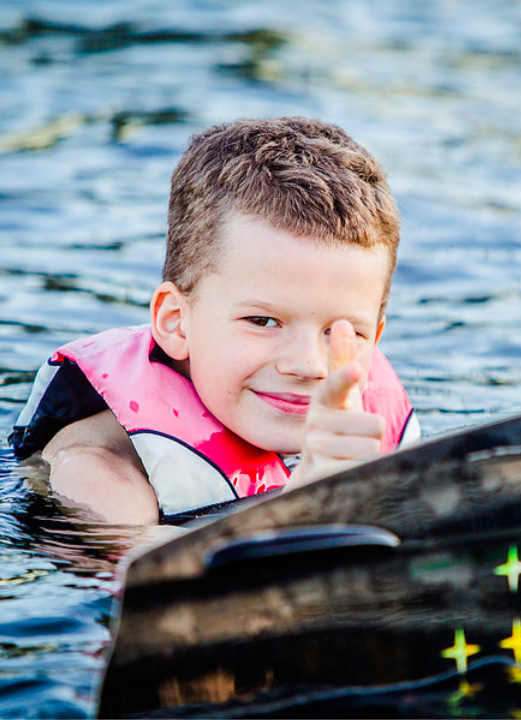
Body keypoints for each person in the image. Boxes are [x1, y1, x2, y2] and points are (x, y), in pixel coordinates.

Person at [9, 117, 420, 525]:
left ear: (375, 337)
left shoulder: (373, 428)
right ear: (176, 322)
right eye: (263, 321)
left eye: (344, 332)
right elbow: (145, 563)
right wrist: (305, 506)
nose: (308, 365)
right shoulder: (100, 472)